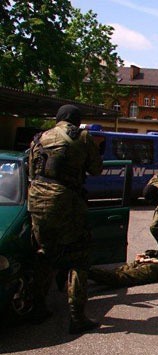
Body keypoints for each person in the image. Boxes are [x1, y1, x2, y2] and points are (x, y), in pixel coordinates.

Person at [27, 104, 103, 334]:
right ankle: (77, 317)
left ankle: (38, 307)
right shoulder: (82, 137)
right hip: (65, 201)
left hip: (37, 200)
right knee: (79, 257)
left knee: (43, 253)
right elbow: (96, 169)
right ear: (76, 121)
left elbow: (31, 172)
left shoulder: (39, 138)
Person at [89, 249, 158, 288]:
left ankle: (86, 273)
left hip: (148, 263)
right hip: (153, 269)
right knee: (120, 278)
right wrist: (151, 260)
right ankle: (86, 272)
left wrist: (145, 255)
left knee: (118, 272)